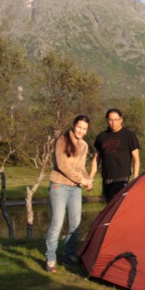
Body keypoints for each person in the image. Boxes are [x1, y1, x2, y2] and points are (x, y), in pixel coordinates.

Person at [45, 115, 93, 273]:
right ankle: (50, 258)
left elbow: (81, 167)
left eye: (84, 129)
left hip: (75, 189)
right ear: (73, 126)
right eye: (79, 127)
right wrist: (82, 179)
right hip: (59, 185)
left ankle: (68, 254)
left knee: (75, 223)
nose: (81, 131)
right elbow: (62, 165)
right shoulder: (62, 140)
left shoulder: (85, 145)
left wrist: (87, 180)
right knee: (57, 223)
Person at [90, 108, 141, 202]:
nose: (113, 122)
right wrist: (90, 178)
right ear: (107, 120)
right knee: (109, 206)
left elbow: (136, 158)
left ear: (121, 119)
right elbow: (96, 159)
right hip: (106, 177)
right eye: (110, 120)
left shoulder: (129, 135)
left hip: (122, 177)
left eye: (116, 119)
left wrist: (135, 177)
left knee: (118, 206)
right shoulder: (101, 136)